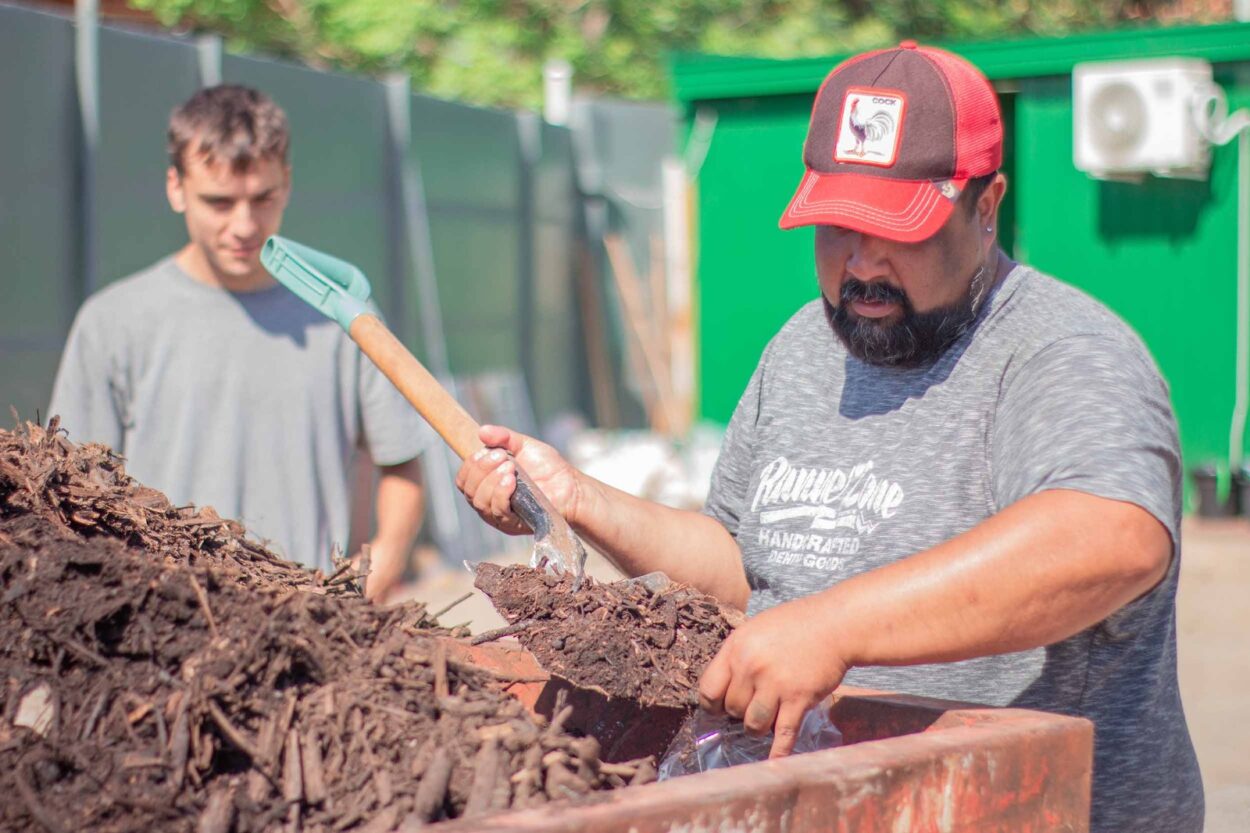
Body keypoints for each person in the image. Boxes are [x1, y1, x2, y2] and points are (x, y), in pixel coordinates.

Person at [455, 42, 1203, 833]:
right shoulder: (805, 348)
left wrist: (834, 626)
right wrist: (582, 499)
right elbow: (747, 570)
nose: (863, 261)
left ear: (987, 205)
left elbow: (1114, 537)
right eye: (838, 225)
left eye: (898, 228)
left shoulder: (1061, 350)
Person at [49, 85, 430, 602]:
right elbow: (73, 489)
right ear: (176, 188)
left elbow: (403, 461)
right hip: (163, 623)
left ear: (287, 185)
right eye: (219, 202)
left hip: (309, 628)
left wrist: (369, 584)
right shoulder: (114, 322)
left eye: (263, 198)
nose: (244, 225)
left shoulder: (342, 315)